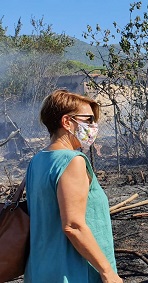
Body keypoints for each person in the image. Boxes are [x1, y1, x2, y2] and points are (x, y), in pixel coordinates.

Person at [25, 90, 122, 283]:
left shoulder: (37, 161)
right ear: (67, 122)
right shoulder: (72, 161)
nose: (94, 126)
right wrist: (107, 272)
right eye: (89, 120)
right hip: (73, 272)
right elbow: (73, 226)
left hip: (41, 270)